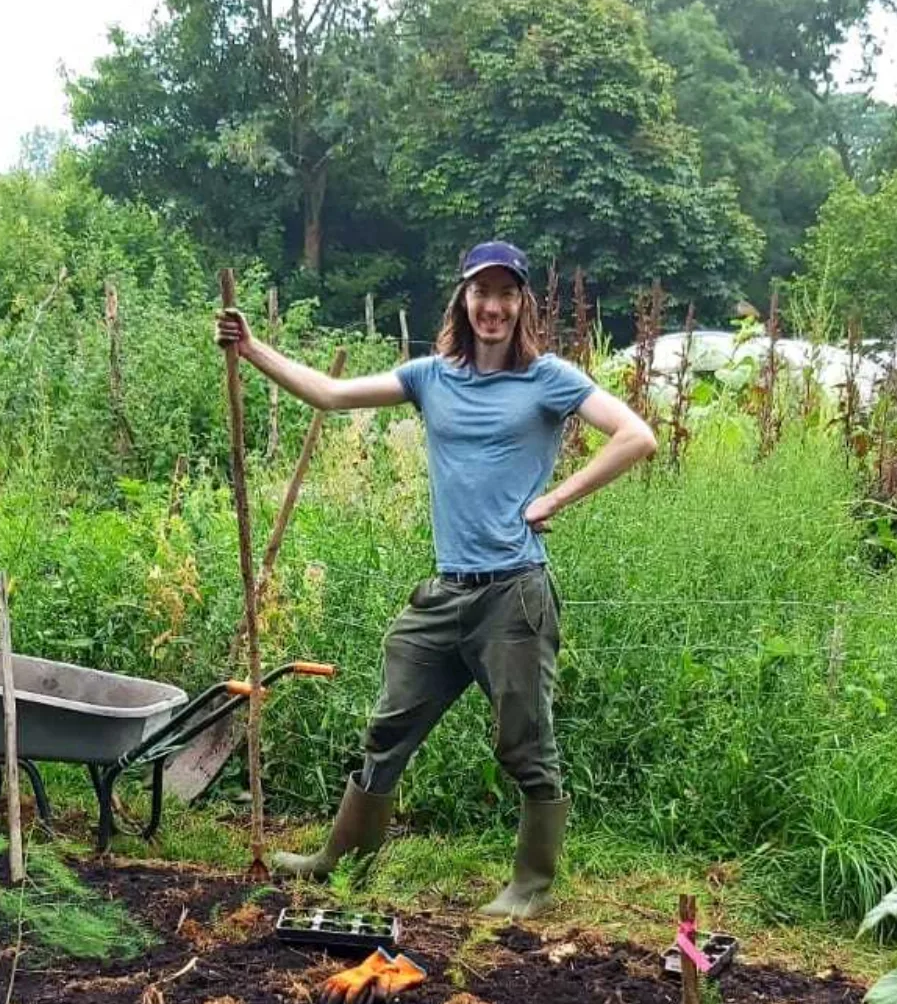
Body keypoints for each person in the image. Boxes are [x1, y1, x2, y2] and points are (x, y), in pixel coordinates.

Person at [215, 239, 657, 916]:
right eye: (482, 292)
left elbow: (636, 436)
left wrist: (555, 498)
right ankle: (343, 858)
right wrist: (251, 350)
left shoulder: (550, 380)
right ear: (464, 299)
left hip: (515, 595)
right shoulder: (431, 377)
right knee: (389, 725)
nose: (493, 306)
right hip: (447, 592)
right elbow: (332, 395)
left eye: (507, 294)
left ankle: (531, 886)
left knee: (524, 740)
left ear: (522, 304)